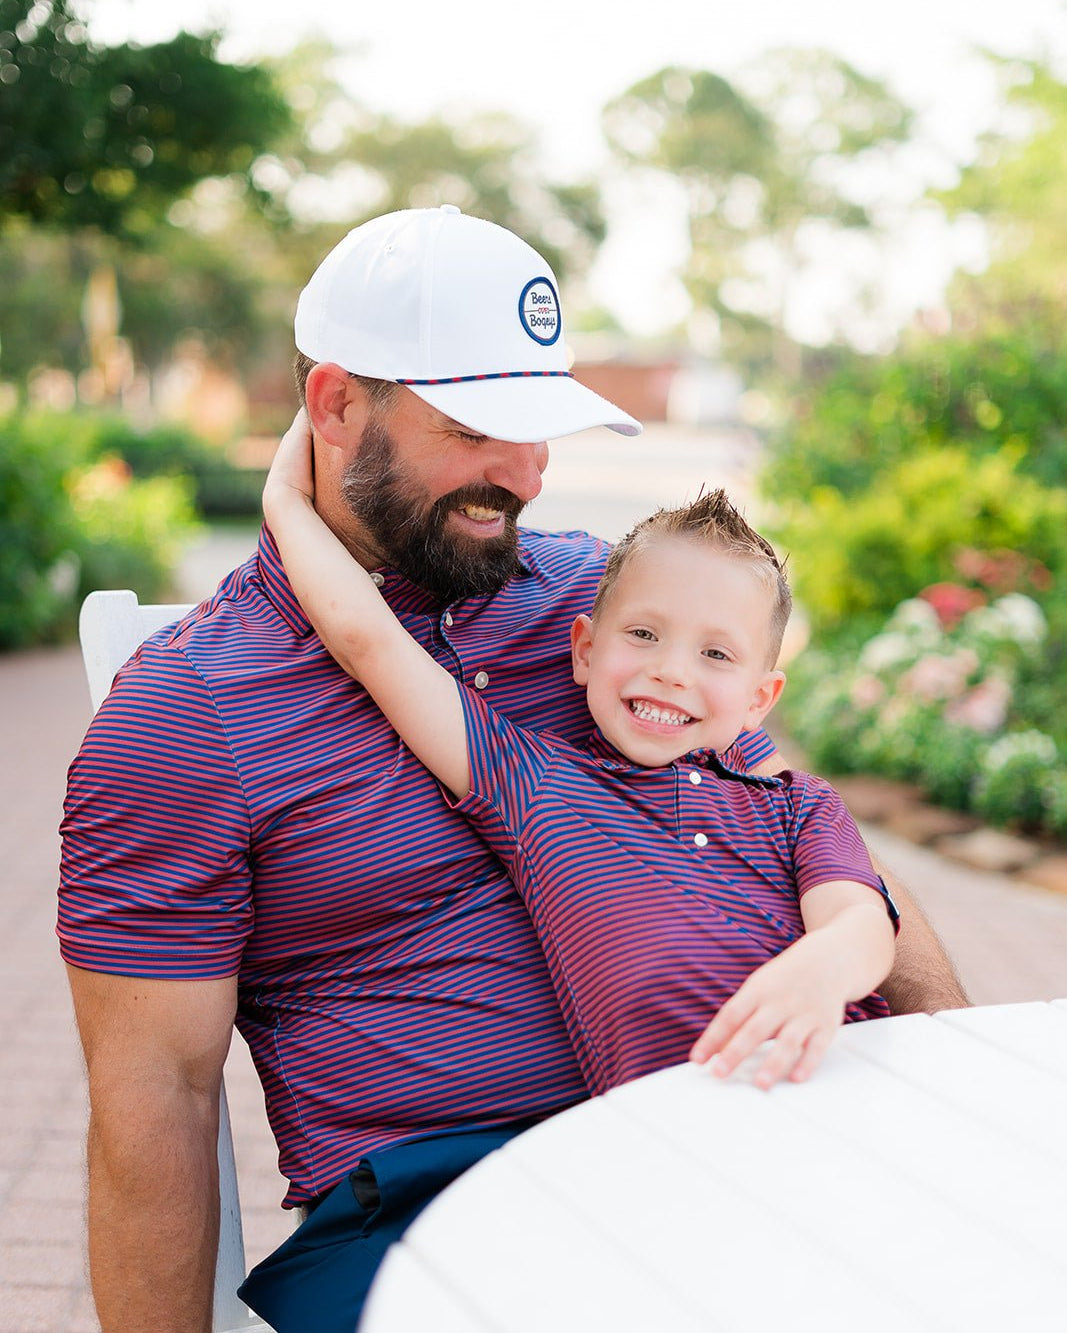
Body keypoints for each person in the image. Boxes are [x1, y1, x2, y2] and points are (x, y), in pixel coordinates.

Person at [58, 205, 968, 1333]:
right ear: (335, 406)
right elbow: (156, 1098)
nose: (528, 474)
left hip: (720, 1140)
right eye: (481, 427)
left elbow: (800, 839)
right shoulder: (188, 711)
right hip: (434, 1207)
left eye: (540, 427)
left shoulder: (616, 612)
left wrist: (955, 1107)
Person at [264, 432, 898, 1095]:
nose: (671, 671)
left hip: (851, 1086)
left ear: (758, 700)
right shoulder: (532, 784)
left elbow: (861, 920)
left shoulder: (797, 805)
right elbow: (368, 641)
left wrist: (823, 968)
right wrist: (284, 501)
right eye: (644, 634)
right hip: (679, 1127)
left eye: (715, 654)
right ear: (586, 651)